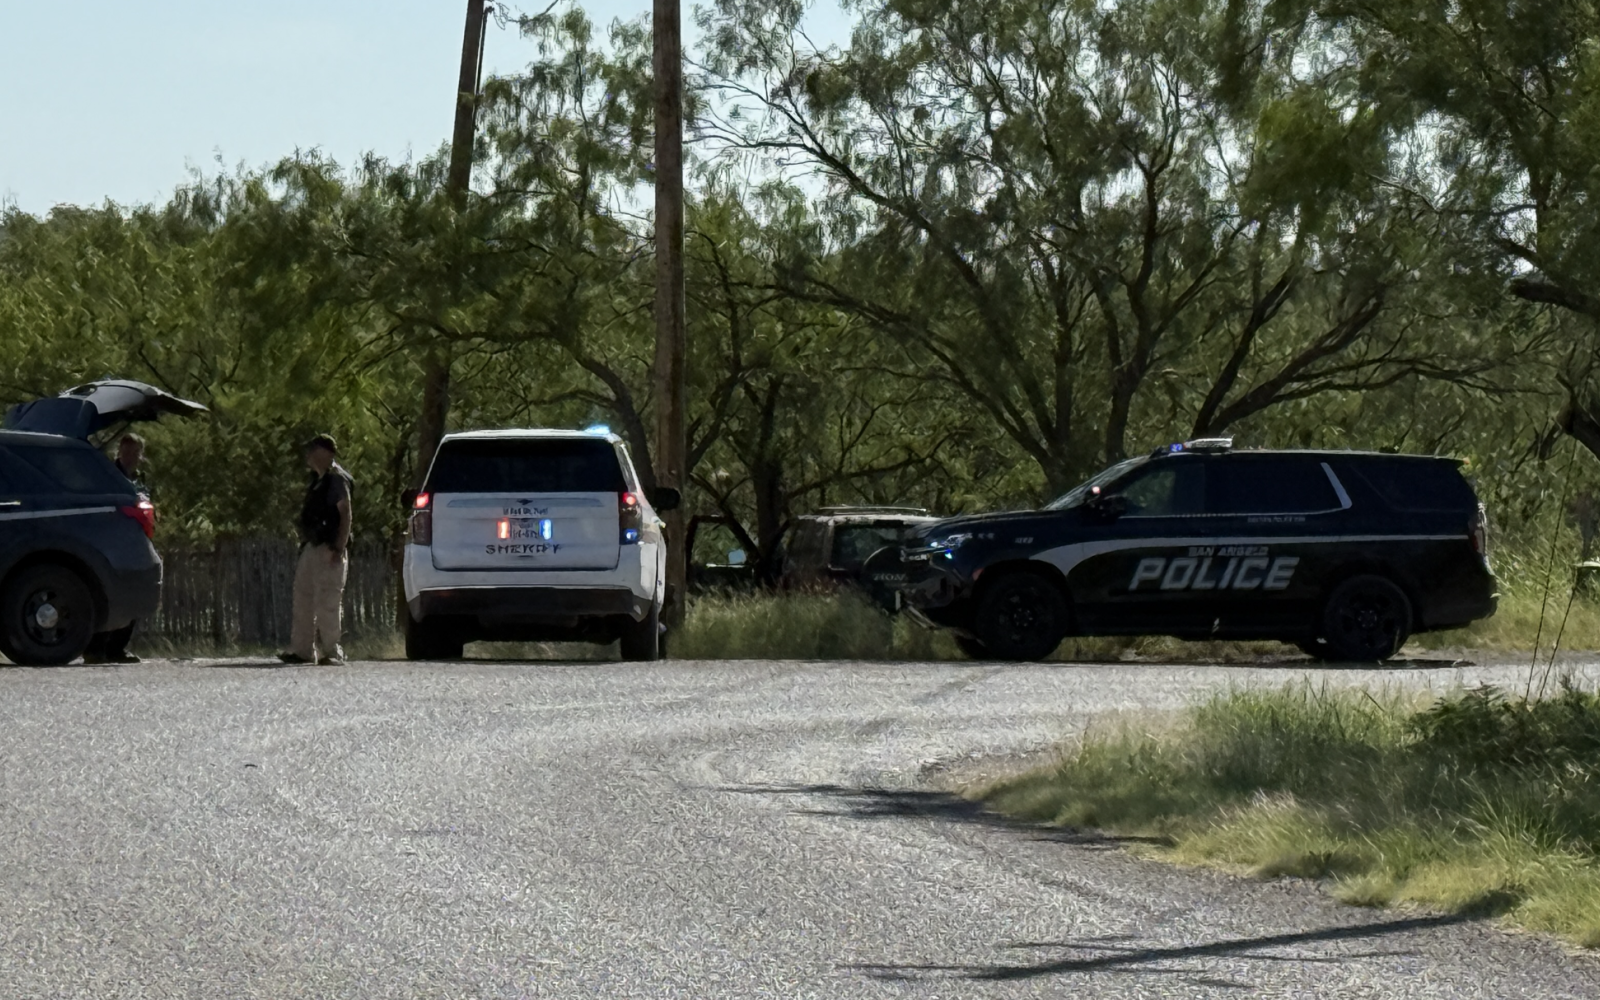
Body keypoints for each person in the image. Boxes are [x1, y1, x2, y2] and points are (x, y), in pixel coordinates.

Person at [279, 434, 353, 665]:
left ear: (326, 452)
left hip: (329, 548)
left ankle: (332, 651)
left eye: (313, 449)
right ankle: (302, 650)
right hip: (313, 546)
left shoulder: (336, 480)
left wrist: (338, 548)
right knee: (303, 596)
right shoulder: (317, 481)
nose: (308, 455)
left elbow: (346, 514)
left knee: (328, 600)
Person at [84, 433, 148, 664]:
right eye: (127, 451)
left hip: (134, 542)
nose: (131, 457)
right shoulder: (108, 475)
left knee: (134, 594)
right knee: (109, 594)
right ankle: (95, 649)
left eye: (135, 452)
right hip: (111, 542)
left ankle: (117, 648)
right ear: (119, 452)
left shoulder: (140, 479)